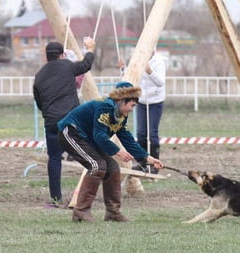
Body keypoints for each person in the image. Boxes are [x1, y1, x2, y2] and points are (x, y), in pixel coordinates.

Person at [57, 81, 164, 222]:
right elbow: (99, 135)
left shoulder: (121, 114)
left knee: (113, 168)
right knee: (97, 166)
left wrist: (147, 158)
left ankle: (113, 212)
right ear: (121, 100)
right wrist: (118, 152)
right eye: (132, 105)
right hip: (71, 132)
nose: (132, 109)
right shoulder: (105, 107)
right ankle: (81, 212)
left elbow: (127, 138)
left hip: (87, 138)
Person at [33, 37, 96, 208]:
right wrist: (90, 49)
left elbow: (39, 102)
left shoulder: (39, 75)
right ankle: (88, 193)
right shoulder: (68, 66)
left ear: (47, 57)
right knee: (84, 154)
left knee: (54, 159)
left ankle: (55, 198)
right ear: (62, 55)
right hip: (70, 119)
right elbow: (85, 65)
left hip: (51, 122)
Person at [136, 50, 166, 173]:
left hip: (155, 102)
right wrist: (123, 69)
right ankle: (142, 163)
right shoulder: (139, 57)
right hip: (141, 101)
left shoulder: (159, 62)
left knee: (152, 134)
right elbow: (133, 76)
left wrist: (149, 71)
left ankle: (155, 165)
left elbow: (160, 82)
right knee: (141, 134)